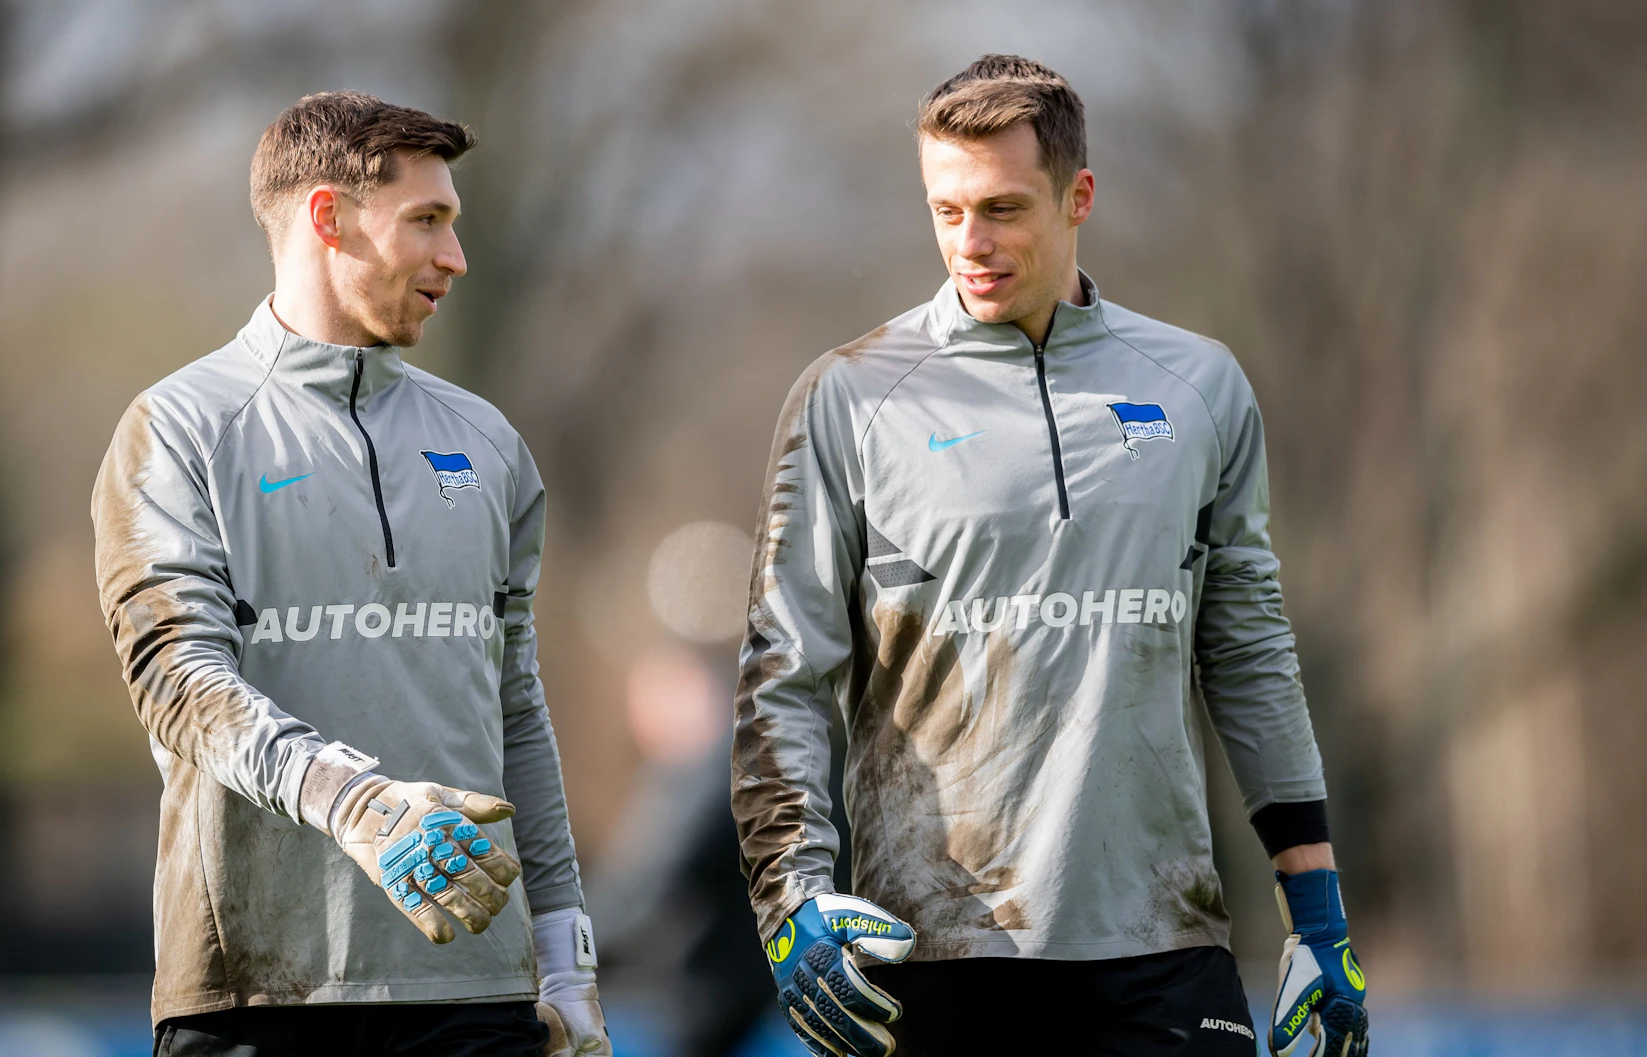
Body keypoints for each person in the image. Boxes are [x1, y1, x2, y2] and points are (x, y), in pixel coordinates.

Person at [731, 56, 1369, 1057]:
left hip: (1163, 937)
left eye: (999, 208)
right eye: (944, 211)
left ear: (1077, 197)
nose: (968, 245)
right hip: (932, 947)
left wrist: (1318, 916)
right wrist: (790, 899)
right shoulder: (849, 397)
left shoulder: (1198, 386)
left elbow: (1248, 655)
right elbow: (781, 678)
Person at [92, 91, 609, 1057]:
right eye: (427, 221)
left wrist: (564, 956)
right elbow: (179, 682)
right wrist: (359, 804)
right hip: (253, 993)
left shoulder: (488, 443)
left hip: (476, 995)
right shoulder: (179, 429)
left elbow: (516, 709)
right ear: (327, 217)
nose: (454, 257)